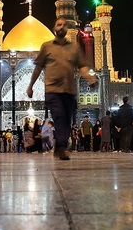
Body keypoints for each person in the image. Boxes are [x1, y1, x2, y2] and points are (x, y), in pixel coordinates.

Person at [26, 16, 97, 160]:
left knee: (67, 120)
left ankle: (59, 146)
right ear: (54, 28)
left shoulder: (74, 47)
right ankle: (62, 147)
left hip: (69, 91)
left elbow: (82, 66)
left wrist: (89, 77)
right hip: (53, 90)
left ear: (67, 28)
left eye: (64, 25)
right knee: (59, 117)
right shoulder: (47, 46)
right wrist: (30, 86)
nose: (61, 27)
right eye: (58, 24)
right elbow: (38, 67)